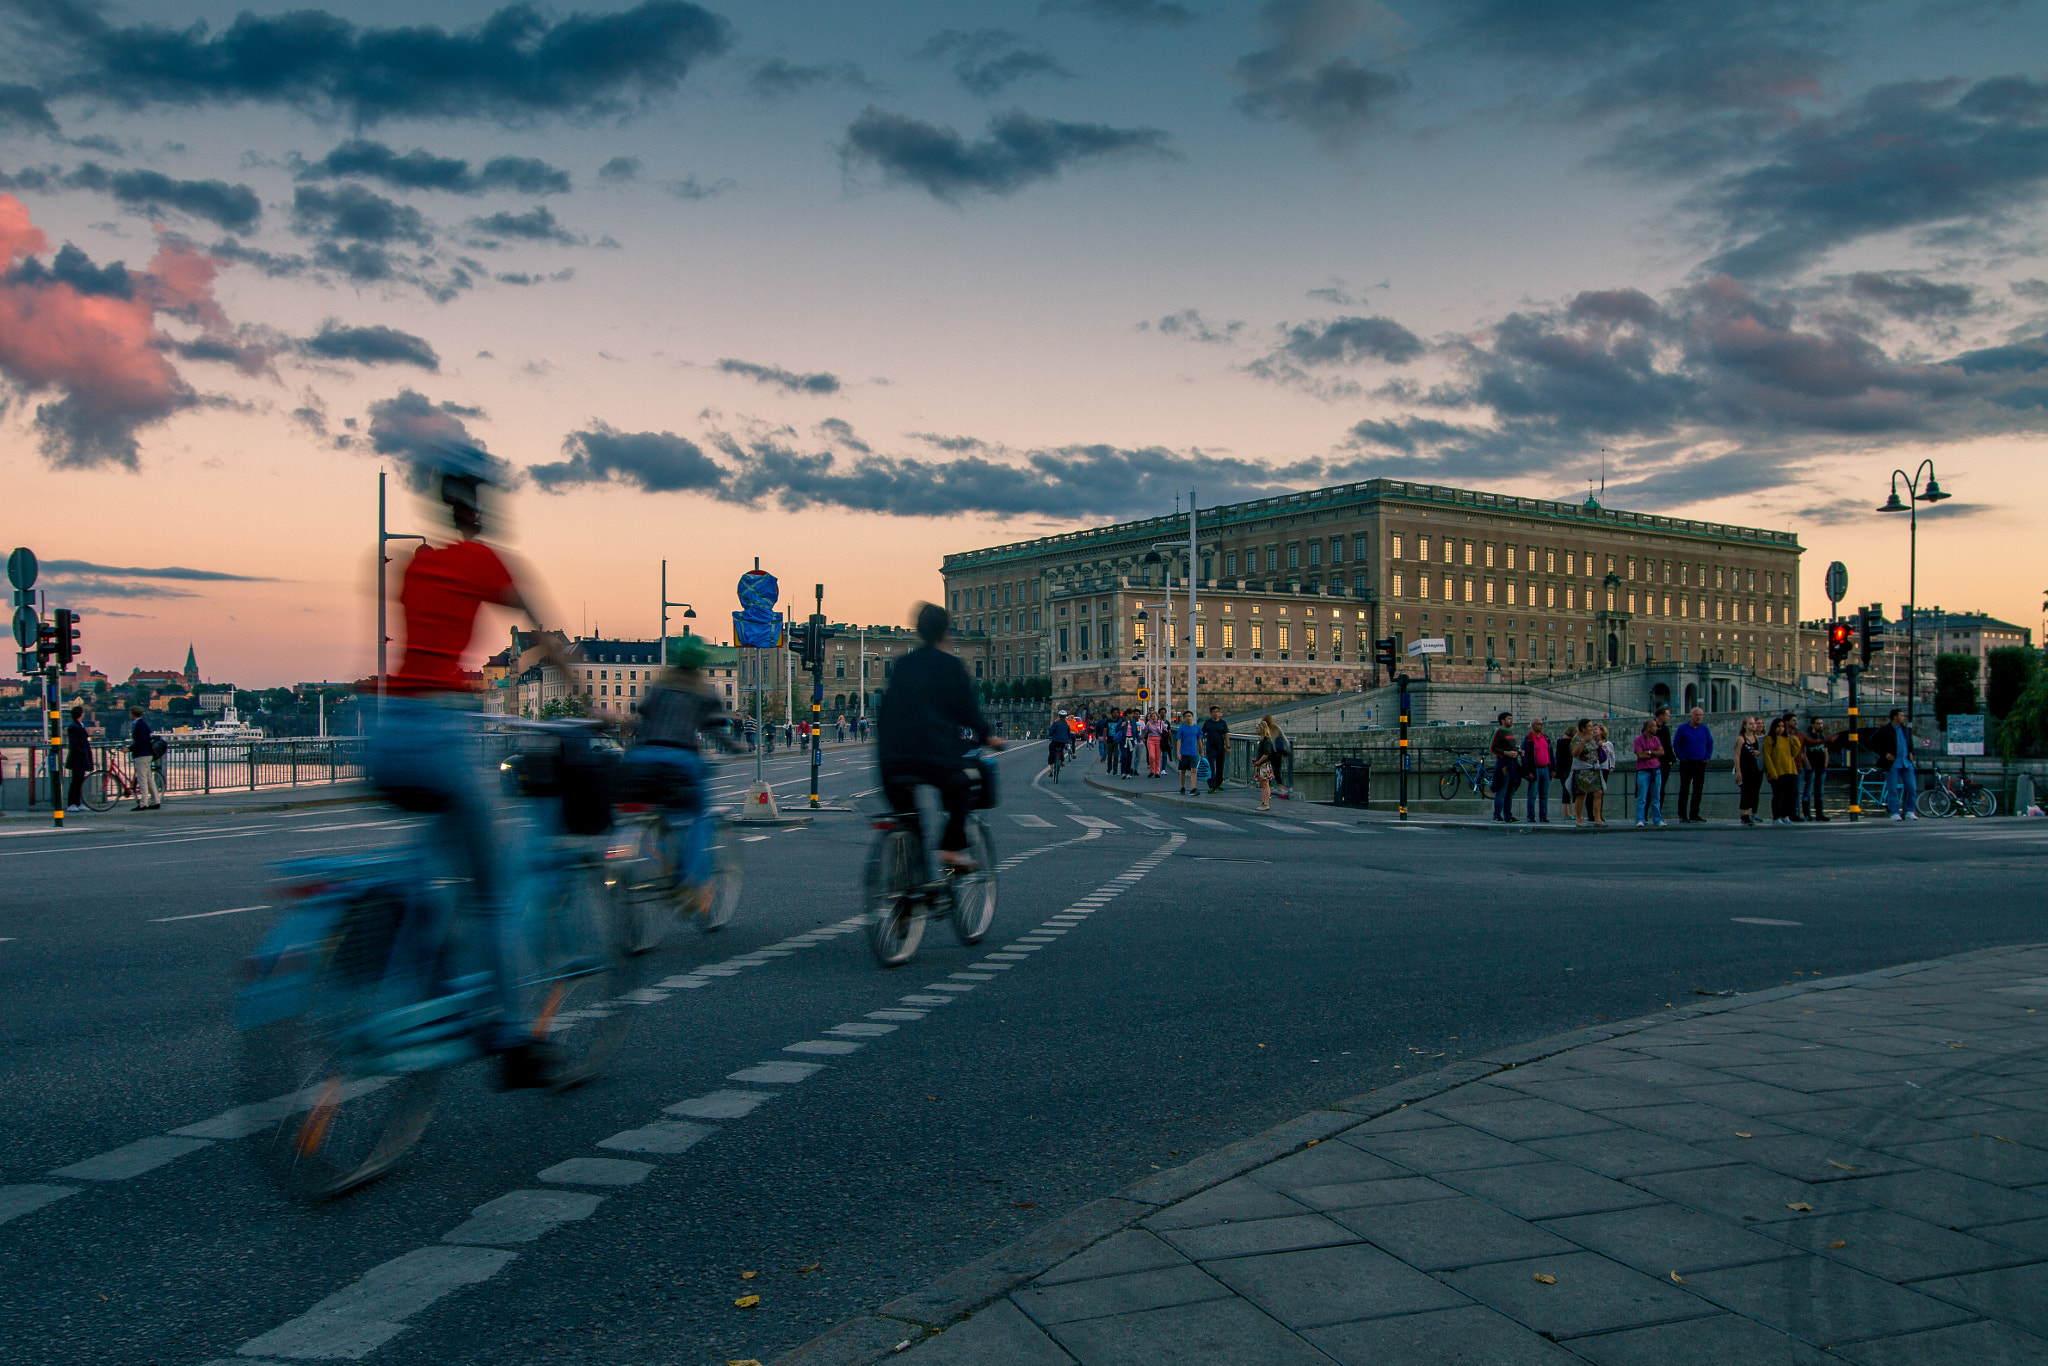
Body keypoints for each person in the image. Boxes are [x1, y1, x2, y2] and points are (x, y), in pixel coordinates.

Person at [375, 438, 567, 1091]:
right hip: (438, 734)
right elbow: (546, 635)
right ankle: (514, 1040)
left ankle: (423, 959)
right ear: (479, 510)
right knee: (493, 893)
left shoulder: (408, 565)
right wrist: (594, 704)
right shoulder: (484, 560)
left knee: (433, 855)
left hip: (384, 731)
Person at [876, 603, 1005, 874]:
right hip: (932, 756)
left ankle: (906, 894)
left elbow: (887, 710)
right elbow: (967, 709)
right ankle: (950, 849)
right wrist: (987, 737)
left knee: (909, 820)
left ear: (918, 631)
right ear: (945, 632)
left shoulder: (902, 665)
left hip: (890, 760)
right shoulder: (950, 665)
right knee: (961, 787)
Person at [622, 638, 743, 916]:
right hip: (680, 760)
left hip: (641, 758)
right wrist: (737, 746)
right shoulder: (703, 692)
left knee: (659, 810)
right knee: (700, 815)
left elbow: (641, 718)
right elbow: (714, 730)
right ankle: (690, 881)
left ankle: (660, 855)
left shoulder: (657, 688)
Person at [1673, 706, 1714, 822]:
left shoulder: (1705, 729)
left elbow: (1710, 744)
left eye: (1701, 715)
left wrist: (1707, 757)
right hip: (1687, 762)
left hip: (1700, 762)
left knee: (1698, 789)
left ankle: (1694, 814)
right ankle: (1682, 815)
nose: (1699, 717)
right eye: (1696, 715)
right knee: (1684, 789)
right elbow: (1676, 744)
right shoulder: (1683, 729)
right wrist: (1682, 758)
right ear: (1691, 716)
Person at [1876, 708, 1918, 820]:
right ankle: (1894, 812)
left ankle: (1909, 811)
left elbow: (1910, 743)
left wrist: (1911, 752)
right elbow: (1872, 742)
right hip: (1893, 763)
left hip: (1906, 762)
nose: (1903, 717)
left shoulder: (1906, 730)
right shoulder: (1885, 730)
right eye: (1901, 715)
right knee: (1893, 789)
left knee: (1912, 788)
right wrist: (1884, 754)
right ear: (1895, 717)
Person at [1764, 715, 1803, 826]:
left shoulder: (1787, 739)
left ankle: (1785, 816)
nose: (1781, 729)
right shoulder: (1770, 740)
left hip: (1789, 771)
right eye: (1778, 726)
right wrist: (1772, 772)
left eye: (1782, 726)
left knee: (1789, 795)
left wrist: (1795, 741)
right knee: (1778, 795)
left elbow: (1794, 753)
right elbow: (1767, 757)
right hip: (1777, 772)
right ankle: (1776, 817)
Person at [1632, 716, 1664, 828]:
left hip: (1656, 770)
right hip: (1643, 771)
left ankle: (1657, 819)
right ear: (1648, 728)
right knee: (1642, 797)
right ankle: (1640, 819)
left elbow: (1661, 752)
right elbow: (1640, 755)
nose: (1657, 728)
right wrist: (1653, 753)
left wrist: (1649, 752)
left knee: (1656, 797)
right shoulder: (1638, 740)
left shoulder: (1656, 740)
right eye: (1654, 726)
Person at [1734, 716, 1765, 826]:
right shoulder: (1741, 739)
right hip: (1744, 768)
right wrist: (1738, 771)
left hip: (1754, 768)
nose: (1753, 725)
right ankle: (1744, 815)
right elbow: (1737, 755)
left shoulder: (1756, 738)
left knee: (1753, 791)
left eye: (1754, 724)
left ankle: (1749, 814)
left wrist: (1758, 753)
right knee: (1745, 791)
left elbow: (1759, 752)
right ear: (1745, 725)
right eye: (1750, 724)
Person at [1490, 710, 1520, 823]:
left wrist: (1518, 751)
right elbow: (1492, 747)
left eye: (1511, 719)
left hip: (1512, 763)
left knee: (1510, 790)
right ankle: (1497, 815)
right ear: (1502, 720)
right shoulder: (1498, 731)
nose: (1511, 721)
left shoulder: (1510, 732)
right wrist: (1506, 753)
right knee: (1502, 789)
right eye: (1508, 719)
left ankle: (1508, 815)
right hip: (1503, 764)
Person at [129, 706, 161, 809]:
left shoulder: (139, 725)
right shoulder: (142, 723)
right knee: (149, 778)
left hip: (141, 755)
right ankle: (156, 801)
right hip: (147, 754)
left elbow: (140, 741)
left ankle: (143, 803)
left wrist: (129, 748)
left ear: (133, 714)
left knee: (142, 779)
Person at [1521, 719, 1551, 823]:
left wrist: (1553, 769)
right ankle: (1531, 816)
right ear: (1533, 726)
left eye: (1542, 724)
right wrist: (1528, 772)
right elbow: (1524, 758)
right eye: (1539, 724)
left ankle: (1543, 815)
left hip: (1546, 768)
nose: (1542, 726)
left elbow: (1551, 754)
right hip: (1535, 769)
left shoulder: (1546, 738)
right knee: (1532, 794)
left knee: (1544, 794)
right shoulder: (1528, 739)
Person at [1801, 717, 1831, 821]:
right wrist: (1808, 766)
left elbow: (1826, 751)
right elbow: (1804, 754)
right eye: (1818, 724)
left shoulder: (1822, 737)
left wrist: (1825, 764)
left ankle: (1820, 813)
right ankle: (1807, 814)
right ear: (1813, 725)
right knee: (1808, 791)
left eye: (1821, 724)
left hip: (1821, 768)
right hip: (1811, 768)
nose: (1820, 726)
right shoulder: (1807, 737)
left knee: (1820, 792)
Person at [64, 705, 92, 811]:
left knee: (79, 780)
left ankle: (78, 802)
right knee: (76, 781)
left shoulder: (77, 725)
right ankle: (72, 803)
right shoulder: (74, 727)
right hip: (78, 758)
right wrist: (82, 753)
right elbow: (74, 743)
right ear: (81, 714)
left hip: (79, 757)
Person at [1201, 704, 1230, 793]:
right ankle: (1211, 785)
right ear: (1211, 714)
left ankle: (1218, 784)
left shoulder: (1222, 723)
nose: (1215, 714)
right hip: (1210, 748)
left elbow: (1226, 734)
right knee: (1211, 767)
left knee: (1220, 767)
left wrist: (1228, 746)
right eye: (1213, 712)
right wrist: (1200, 748)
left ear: (1219, 713)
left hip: (1220, 748)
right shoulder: (1208, 723)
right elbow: (1201, 734)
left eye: (1217, 712)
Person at [1174, 710, 1201, 793]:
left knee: (1194, 770)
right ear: (1184, 718)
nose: (1188, 718)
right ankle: (1182, 787)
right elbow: (1179, 740)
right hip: (1184, 752)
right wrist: (1178, 752)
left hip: (1193, 752)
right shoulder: (1182, 728)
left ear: (1192, 717)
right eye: (1186, 717)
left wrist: (1201, 751)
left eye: (1189, 716)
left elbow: (1199, 739)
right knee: (1183, 771)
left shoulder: (1197, 727)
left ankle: (1193, 787)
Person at [1045, 710, 1073, 774]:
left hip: (1055, 740)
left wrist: (1049, 735)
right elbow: (1068, 733)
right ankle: (1062, 761)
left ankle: (1051, 769)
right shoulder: (1066, 725)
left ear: (1059, 716)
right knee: (1061, 750)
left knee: (1052, 751)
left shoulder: (1056, 723)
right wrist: (1068, 740)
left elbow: (1051, 731)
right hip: (1063, 741)